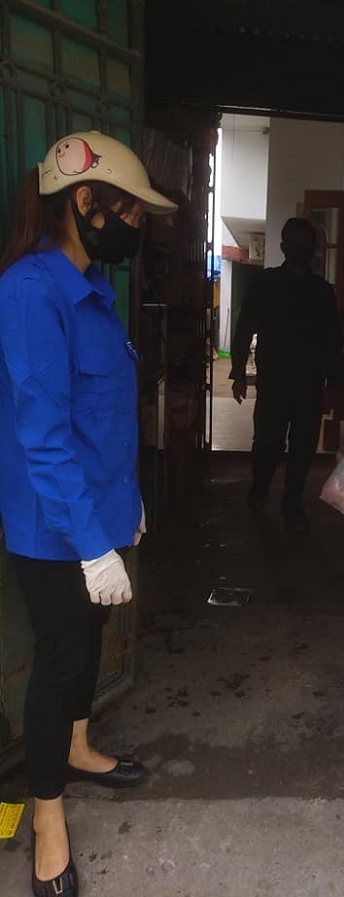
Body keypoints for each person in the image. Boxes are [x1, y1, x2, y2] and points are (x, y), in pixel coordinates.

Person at [0, 130, 176, 897]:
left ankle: (75, 744)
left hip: (100, 515)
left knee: (90, 641)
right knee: (62, 659)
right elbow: (42, 437)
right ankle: (47, 821)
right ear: (84, 201)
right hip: (54, 529)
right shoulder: (32, 292)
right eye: (130, 213)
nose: (135, 229)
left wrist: (125, 510)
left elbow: (103, 421)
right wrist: (90, 545)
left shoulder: (93, 292)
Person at [230, 217, 344, 531]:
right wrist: (238, 372)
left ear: (313, 248)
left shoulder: (322, 292)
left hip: (309, 383)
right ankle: (259, 490)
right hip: (274, 382)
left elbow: (333, 341)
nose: (301, 248)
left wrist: (333, 383)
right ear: (283, 246)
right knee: (267, 443)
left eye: (306, 243)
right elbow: (244, 328)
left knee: (303, 448)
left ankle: (292, 503)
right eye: (295, 242)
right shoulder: (266, 284)